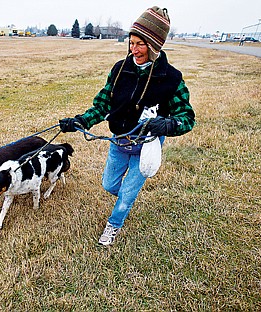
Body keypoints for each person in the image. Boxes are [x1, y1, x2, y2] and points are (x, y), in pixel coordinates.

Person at [59, 6, 195, 246]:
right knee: (109, 184)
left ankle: (114, 223)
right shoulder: (120, 69)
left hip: (146, 147)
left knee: (126, 195)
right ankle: (126, 198)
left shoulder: (171, 78)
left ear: (155, 45)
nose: (134, 49)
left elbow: (187, 118)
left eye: (141, 43)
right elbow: (102, 105)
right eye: (131, 42)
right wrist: (80, 121)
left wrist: (167, 125)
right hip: (119, 141)